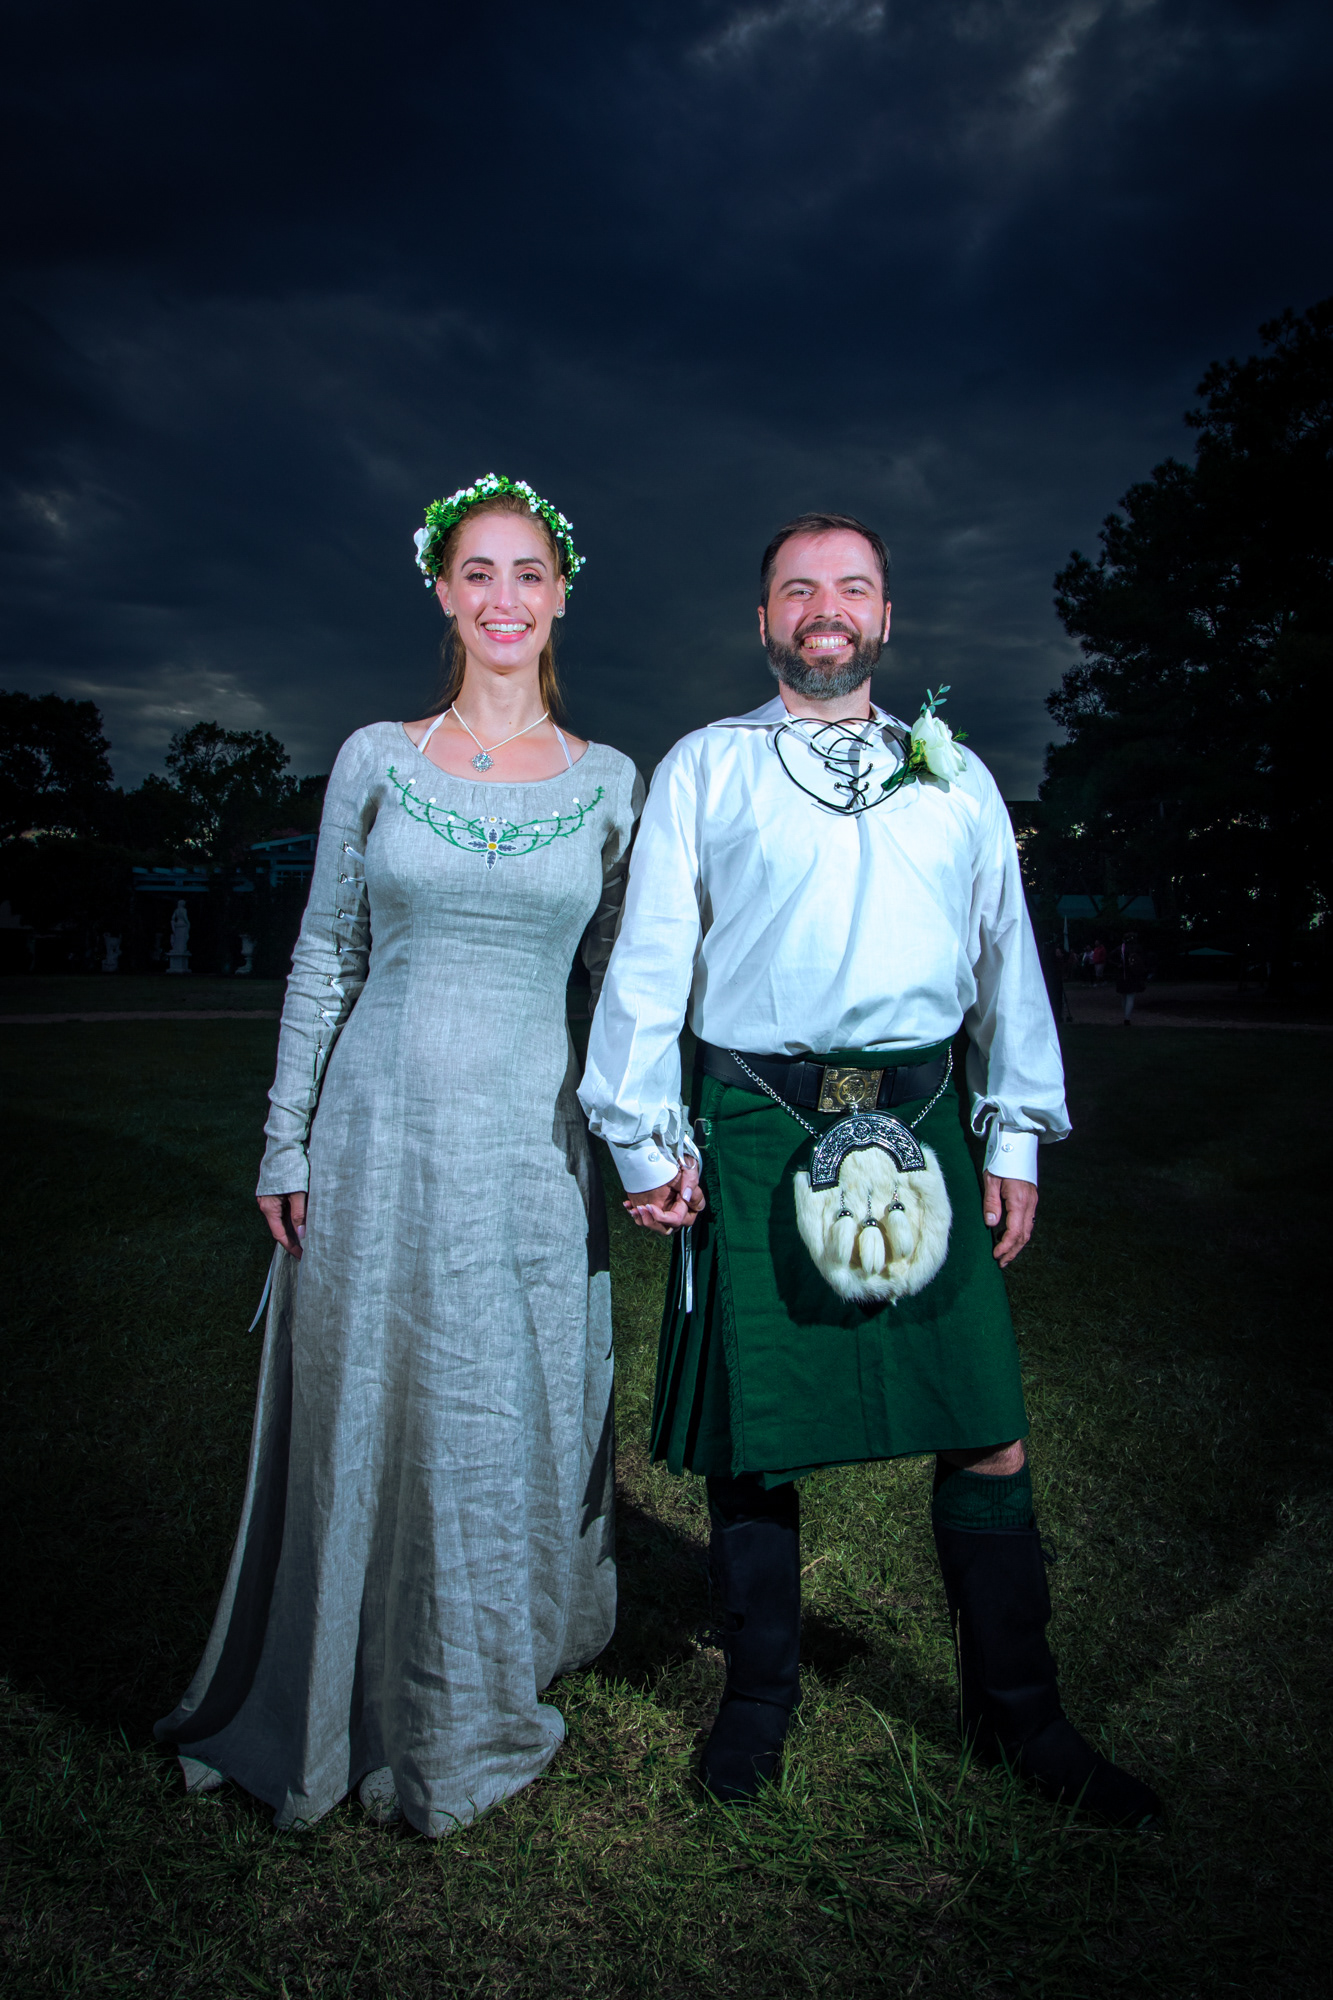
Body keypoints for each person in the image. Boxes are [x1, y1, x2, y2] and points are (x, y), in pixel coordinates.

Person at [579, 510, 1162, 1826]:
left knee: (988, 1426)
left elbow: (1006, 959)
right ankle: (757, 1700)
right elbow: (651, 957)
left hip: (926, 1125)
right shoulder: (707, 765)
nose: (825, 608)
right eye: (798, 589)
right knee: (758, 1436)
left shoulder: (953, 773)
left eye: (851, 587)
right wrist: (639, 1134)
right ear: (764, 620)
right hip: (757, 1123)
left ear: (886, 618)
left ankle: (1022, 1717)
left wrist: (1015, 1132)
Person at [157, 474, 642, 1835]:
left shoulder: (612, 783)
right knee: (371, 1396)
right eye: (477, 571)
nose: (503, 597)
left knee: (499, 1405)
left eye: (528, 572)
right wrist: (283, 1138)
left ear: (560, 594)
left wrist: (654, 1140)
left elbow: (628, 991)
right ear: (441, 588)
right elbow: (327, 953)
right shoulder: (377, 757)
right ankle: (338, 1690)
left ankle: (472, 1682)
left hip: (528, 1150)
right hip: (375, 1133)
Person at [1116, 931, 1147, 1024]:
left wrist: (1118, 964)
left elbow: (1110, 957)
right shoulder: (1138, 948)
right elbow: (1142, 962)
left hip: (1122, 974)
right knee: (1130, 997)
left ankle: (1126, 1015)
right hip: (1133, 975)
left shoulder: (1121, 948)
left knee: (1124, 997)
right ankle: (1127, 1018)